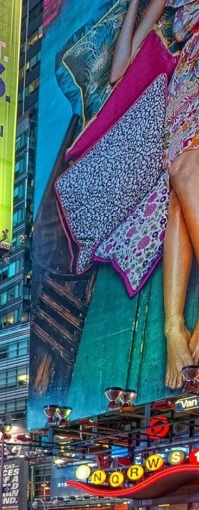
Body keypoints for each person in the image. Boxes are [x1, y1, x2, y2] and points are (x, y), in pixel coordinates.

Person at [112, 0, 199, 387]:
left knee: (183, 173)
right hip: (186, 84)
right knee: (178, 190)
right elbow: (119, 72)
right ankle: (173, 327)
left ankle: (174, 326)